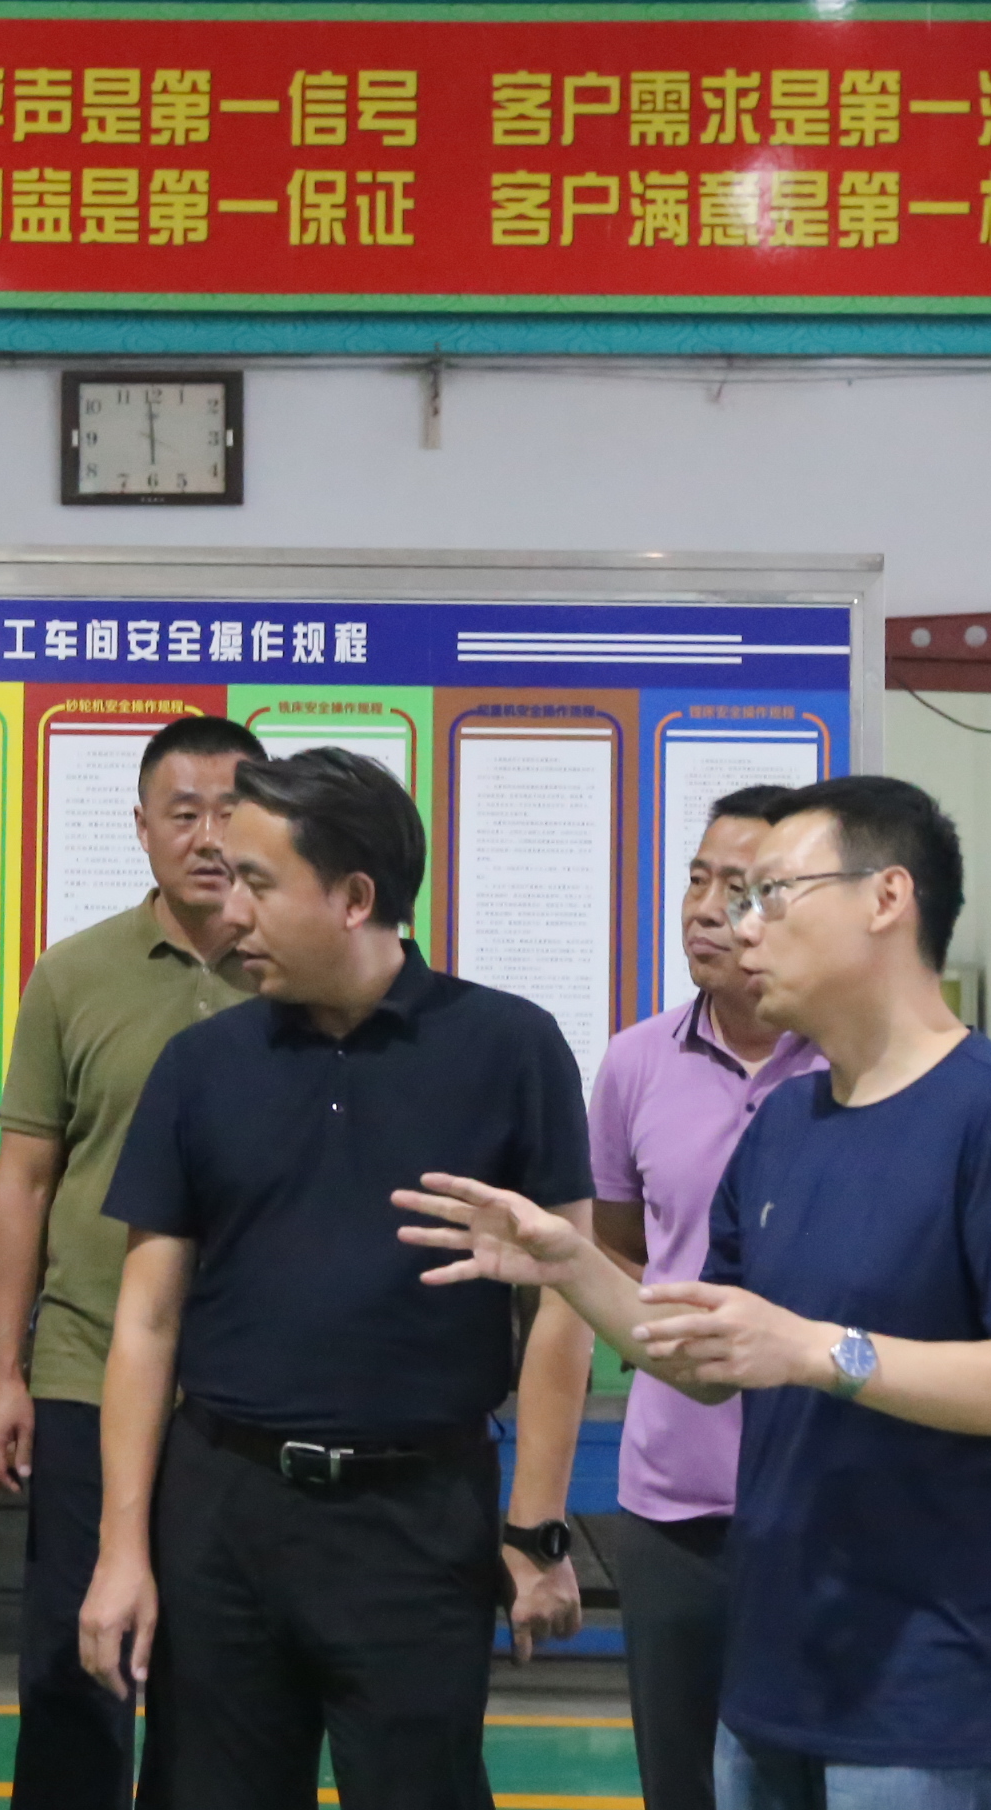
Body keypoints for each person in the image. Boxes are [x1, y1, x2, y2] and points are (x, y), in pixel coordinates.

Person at [398, 777, 991, 1810]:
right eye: (729, 893)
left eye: (773, 893)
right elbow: (702, 1359)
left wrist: (817, 1350)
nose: (739, 922)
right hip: (771, 1673)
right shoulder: (786, 1128)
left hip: (923, 1686)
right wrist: (570, 1262)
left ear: (886, 897)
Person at [80, 747, 593, 1810]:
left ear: (355, 897)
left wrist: (535, 1529)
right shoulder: (201, 1066)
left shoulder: (511, 1048)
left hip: (418, 1522)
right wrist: (121, 1550)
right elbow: (147, 1320)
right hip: (223, 1516)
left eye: (258, 884)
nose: (230, 913)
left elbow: (565, 1302)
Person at [500, 784, 821, 1810]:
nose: (706, 909)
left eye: (741, 888)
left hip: (827, 1501)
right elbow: (605, 1268)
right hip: (677, 1506)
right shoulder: (636, 1063)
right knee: (682, 1784)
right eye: (697, 879)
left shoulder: (858, 1068)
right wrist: (538, 1524)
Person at [0, 714, 264, 1810]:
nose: (208, 836)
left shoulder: (296, 971)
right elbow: (24, 1183)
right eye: (182, 813)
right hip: (86, 1370)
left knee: (219, 1677)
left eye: (231, 811)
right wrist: (4, 1371)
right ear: (140, 827)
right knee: (74, 1665)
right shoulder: (74, 974)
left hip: (241, 1391)